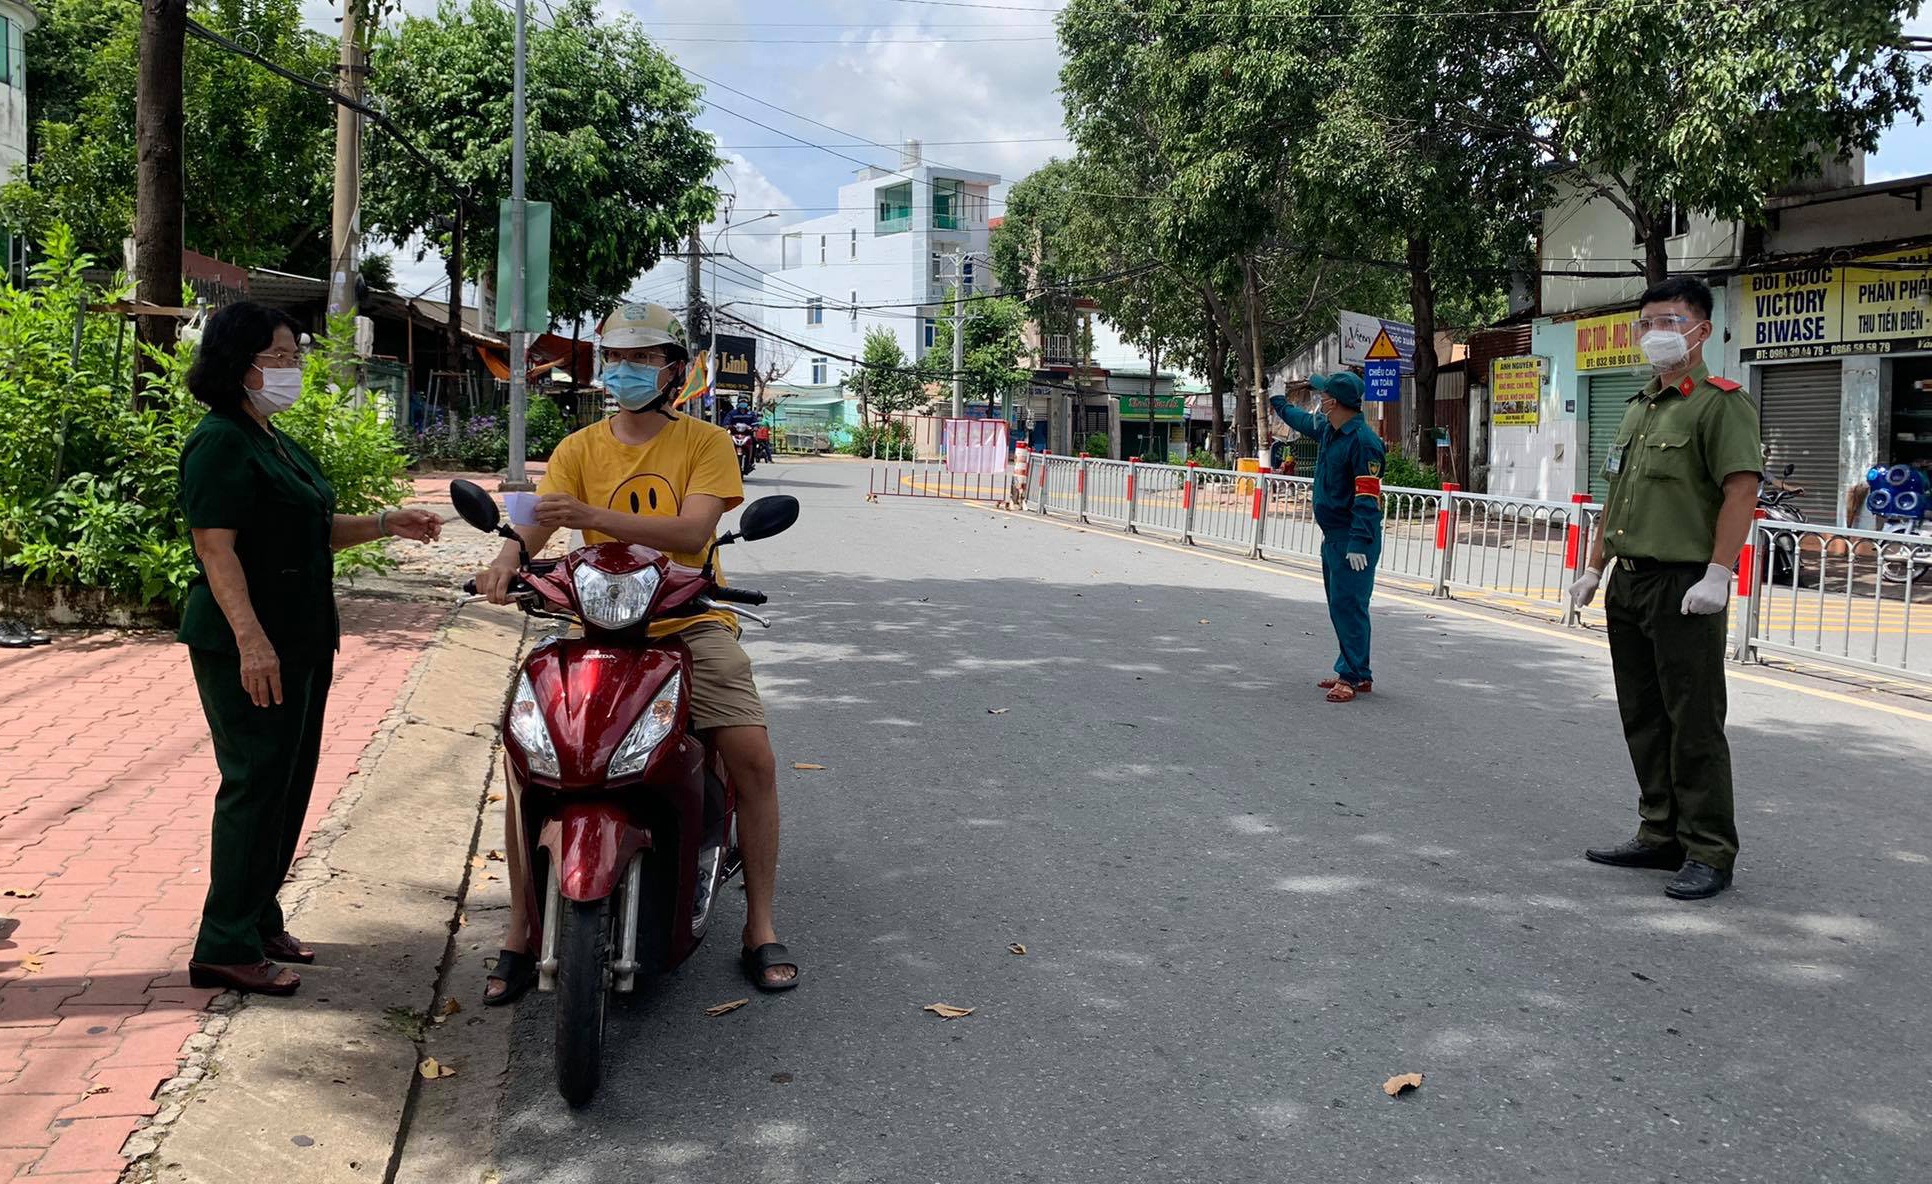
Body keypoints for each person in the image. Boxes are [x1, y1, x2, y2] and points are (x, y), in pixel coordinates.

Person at [474, 302, 798, 999]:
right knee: (529, 762)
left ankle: (760, 925)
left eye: (643, 358)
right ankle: (519, 931)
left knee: (753, 757)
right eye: (617, 358)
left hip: (689, 623)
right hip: (594, 624)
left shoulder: (706, 444)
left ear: (673, 371)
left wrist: (591, 516)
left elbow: (691, 534)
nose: (626, 370)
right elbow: (536, 520)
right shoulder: (576, 449)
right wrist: (504, 559)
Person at [178, 302, 442, 995]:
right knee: (255, 782)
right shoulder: (220, 442)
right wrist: (251, 641)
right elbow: (216, 549)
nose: (291, 369)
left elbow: (309, 528)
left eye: (295, 357)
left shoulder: (271, 439)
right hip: (249, 642)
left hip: (301, 636)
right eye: (279, 358)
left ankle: (257, 918)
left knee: (288, 783)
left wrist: (385, 523)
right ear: (240, 364)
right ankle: (223, 944)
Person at [1569, 276, 1762, 901]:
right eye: (1647, 322)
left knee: (1694, 721)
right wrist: (1595, 566)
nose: (1656, 333)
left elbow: (1741, 490)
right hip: (1629, 582)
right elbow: (1617, 495)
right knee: (1644, 716)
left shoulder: (1720, 404)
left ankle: (1709, 850)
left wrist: (1719, 572)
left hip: (1684, 584)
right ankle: (1660, 833)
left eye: (1670, 321)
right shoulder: (1638, 407)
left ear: (1701, 329)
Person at [1268, 371, 1386, 703]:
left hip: (1353, 537)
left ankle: (1351, 677)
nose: (1319, 400)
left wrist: (1359, 541)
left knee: (1350, 606)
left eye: (1323, 395)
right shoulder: (1329, 430)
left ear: (1334, 402)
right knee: (1340, 606)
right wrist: (1278, 401)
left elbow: (1367, 498)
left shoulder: (1363, 442)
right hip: (1334, 535)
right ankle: (1356, 670)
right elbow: (1301, 420)